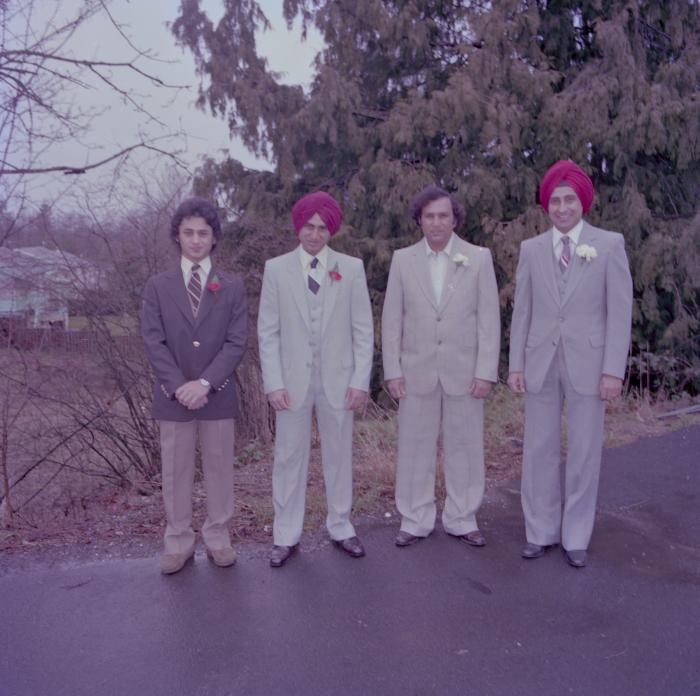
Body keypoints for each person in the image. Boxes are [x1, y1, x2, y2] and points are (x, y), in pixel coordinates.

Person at [507, 160, 633, 568]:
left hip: (590, 364)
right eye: (555, 201)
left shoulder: (609, 245)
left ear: (583, 203)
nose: (562, 208)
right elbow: (522, 311)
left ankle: (575, 536)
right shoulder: (532, 249)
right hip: (541, 362)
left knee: (583, 452)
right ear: (547, 205)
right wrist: (516, 365)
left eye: (569, 200)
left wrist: (613, 370)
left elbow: (619, 312)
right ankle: (540, 531)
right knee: (538, 449)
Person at [257, 191, 374, 568]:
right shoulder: (276, 269)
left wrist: (360, 380)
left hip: (339, 381)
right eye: (309, 226)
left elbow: (363, 330)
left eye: (322, 228)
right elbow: (268, 331)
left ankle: (341, 525)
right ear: (298, 226)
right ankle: (286, 534)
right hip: (291, 383)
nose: (315, 234)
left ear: (331, 230)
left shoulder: (351, 268)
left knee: (339, 455)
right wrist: (273, 382)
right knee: (288, 457)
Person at [382, 185, 500, 549]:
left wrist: (485, 371)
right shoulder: (403, 260)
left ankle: (462, 517)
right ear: (420, 220)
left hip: (464, 372)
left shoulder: (478, 258)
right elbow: (392, 320)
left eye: (443, 215)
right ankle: (415, 518)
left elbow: (488, 320)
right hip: (416, 371)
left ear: (454, 219)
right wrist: (393, 370)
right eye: (429, 216)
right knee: (415, 446)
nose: (436, 223)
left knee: (464, 445)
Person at [142, 197, 247, 574]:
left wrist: (204, 383)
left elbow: (236, 342)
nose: (196, 240)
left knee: (219, 470)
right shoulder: (158, 286)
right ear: (177, 237)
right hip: (173, 398)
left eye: (203, 233)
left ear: (214, 238)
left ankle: (219, 538)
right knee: (175, 472)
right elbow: (153, 341)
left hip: (217, 397)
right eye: (188, 232)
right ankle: (178, 542)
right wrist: (179, 385)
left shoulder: (231, 287)